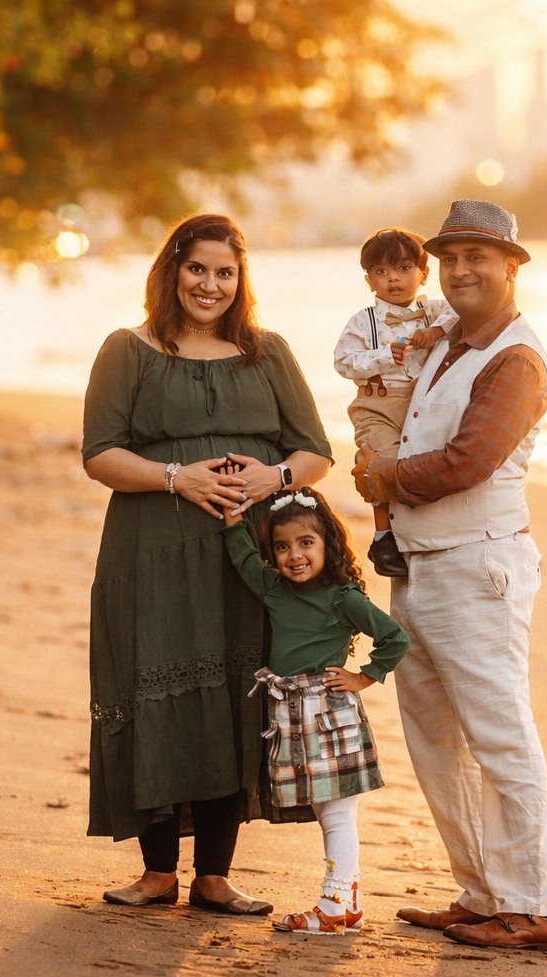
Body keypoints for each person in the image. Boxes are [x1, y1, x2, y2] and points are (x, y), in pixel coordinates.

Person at [83, 213, 334, 916]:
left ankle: (215, 875)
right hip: (152, 550)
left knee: (235, 692)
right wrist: (178, 478)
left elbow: (315, 450)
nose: (211, 285)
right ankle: (157, 871)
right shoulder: (127, 351)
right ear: (172, 269)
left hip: (247, 554)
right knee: (153, 683)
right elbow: (100, 453)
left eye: (226, 273)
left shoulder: (268, 352)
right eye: (198, 269)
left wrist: (272, 480)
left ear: (240, 280)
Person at [351, 199, 547, 951]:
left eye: (479, 256)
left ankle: (532, 906)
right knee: (437, 742)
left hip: (480, 569)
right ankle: (481, 892)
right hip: (420, 566)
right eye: (451, 257)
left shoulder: (516, 358)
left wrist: (381, 477)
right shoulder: (444, 338)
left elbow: (468, 462)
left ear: (511, 266)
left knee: (500, 736)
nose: (461, 269)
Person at [221, 486, 409, 934]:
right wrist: (232, 524)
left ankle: (333, 905)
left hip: (329, 714)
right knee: (330, 814)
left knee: (338, 814)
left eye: (306, 543)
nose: (294, 556)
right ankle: (346, 901)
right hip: (290, 712)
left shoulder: (343, 599)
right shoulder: (275, 589)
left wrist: (365, 676)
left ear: (328, 544)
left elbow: (394, 638)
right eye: (282, 547)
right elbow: (245, 562)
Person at [331, 228, 455, 578]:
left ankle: (421, 530)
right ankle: (383, 536)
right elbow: (343, 362)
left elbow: (463, 309)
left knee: (420, 465)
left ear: (423, 273)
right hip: (378, 405)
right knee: (380, 462)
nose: (393, 279)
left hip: (424, 404)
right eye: (381, 273)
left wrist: (438, 331)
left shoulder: (436, 311)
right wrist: (385, 356)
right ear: (369, 281)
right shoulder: (363, 321)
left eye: (403, 268)